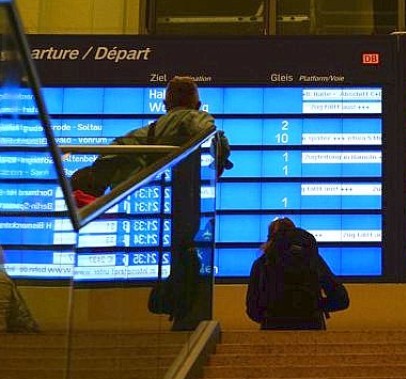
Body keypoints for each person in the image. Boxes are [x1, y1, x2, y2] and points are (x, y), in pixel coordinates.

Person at [70, 76, 231, 203]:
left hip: (149, 210)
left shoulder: (137, 137)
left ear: (165, 105)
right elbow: (218, 164)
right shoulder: (212, 135)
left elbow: (103, 166)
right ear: (198, 105)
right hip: (191, 207)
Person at [246, 217, 350, 330]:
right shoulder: (312, 260)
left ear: (270, 239)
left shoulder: (262, 263)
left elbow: (252, 308)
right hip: (312, 330)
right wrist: (315, 306)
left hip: (273, 330)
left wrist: (271, 315)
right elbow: (341, 299)